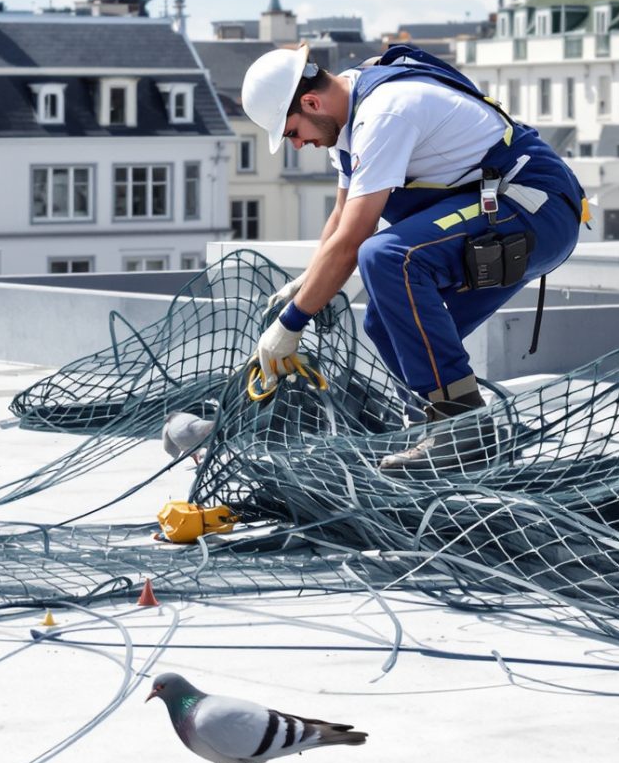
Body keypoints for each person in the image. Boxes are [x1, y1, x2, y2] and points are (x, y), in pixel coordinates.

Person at [240, 42, 587, 470]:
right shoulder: (346, 121)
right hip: (502, 211)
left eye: (292, 133)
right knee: (385, 321)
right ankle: (441, 426)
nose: (297, 145)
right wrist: (309, 282)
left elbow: (353, 240)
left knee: (388, 257)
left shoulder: (384, 112)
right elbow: (341, 216)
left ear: (311, 102)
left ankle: (461, 428)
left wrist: (292, 322)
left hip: (535, 208)